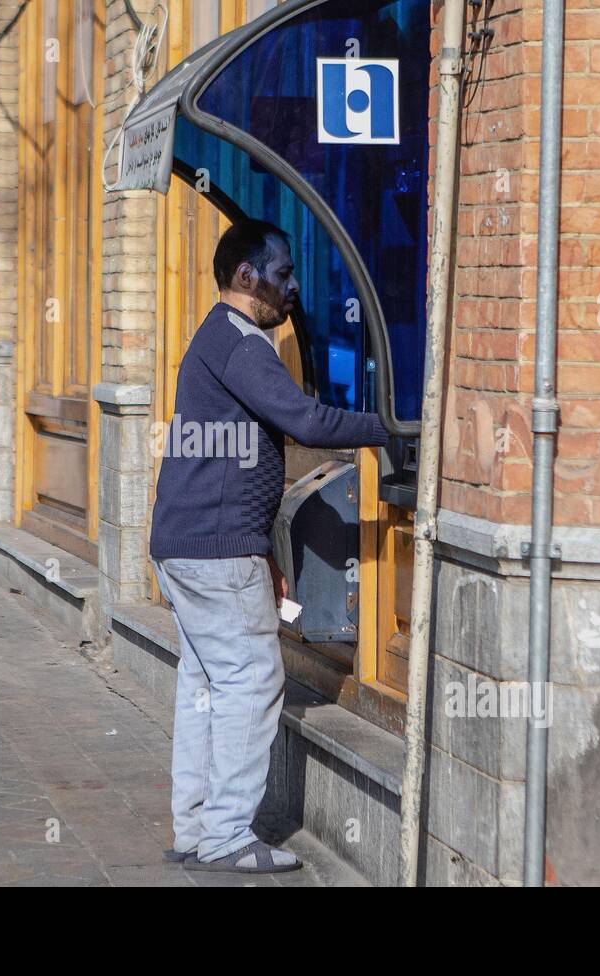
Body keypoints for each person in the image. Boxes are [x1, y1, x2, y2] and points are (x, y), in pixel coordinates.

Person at [149, 220, 390, 874]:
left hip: (194, 544)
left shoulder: (214, 339)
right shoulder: (242, 344)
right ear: (247, 278)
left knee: (204, 685)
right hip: (213, 549)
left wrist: (266, 554)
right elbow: (308, 420)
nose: (294, 289)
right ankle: (227, 838)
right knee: (252, 682)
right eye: (283, 275)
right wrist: (395, 423)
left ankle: (198, 830)